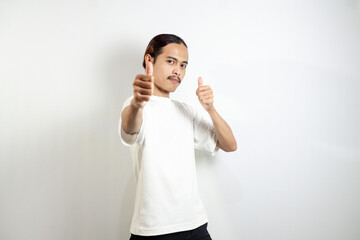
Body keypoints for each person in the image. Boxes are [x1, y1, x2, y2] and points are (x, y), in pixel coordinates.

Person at [118, 33, 237, 240]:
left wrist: (210, 109)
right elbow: (130, 128)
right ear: (149, 60)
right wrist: (137, 104)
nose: (177, 71)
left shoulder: (186, 111)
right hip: (154, 230)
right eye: (171, 61)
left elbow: (230, 145)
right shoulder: (135, 105)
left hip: (195, 225)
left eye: (183, 65)